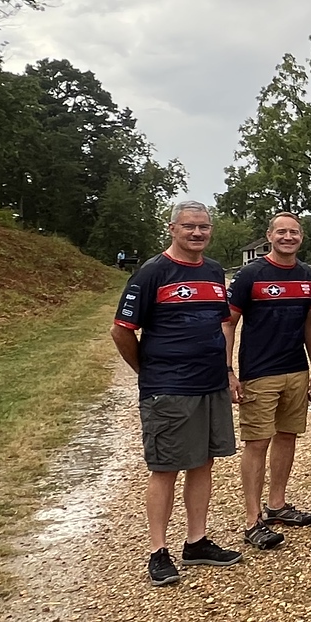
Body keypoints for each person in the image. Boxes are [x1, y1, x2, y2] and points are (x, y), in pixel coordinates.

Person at [110, 200, 242, 586]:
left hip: (210, 384)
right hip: (169, 388)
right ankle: (158, 550)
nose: (197, 232)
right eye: (189, 226)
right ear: (173, 229)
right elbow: (121, 330)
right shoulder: (153, 272)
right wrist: (147, 370)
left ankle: (196, 541)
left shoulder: (214, 271)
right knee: (165, 468)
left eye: (204, 226)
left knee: (203, 462)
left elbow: (222, 324)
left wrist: (227, 371)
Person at [223, 211, 311, 551]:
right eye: (281, 231)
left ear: (301, 237)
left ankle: (277, 505)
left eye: (294, 232)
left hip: (295, 369)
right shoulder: (250, 275)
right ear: (269, 236)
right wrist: (228, 371)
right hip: (259, 373)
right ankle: (252, 520)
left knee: (287, 436)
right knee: (257, 442)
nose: (287, 237)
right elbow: (228, 324)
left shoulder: (307, 275)